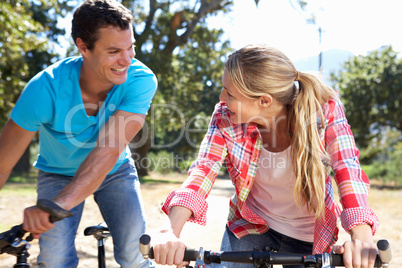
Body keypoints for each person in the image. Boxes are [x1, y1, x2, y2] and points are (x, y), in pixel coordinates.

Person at [151, 44, 379, 268]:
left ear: (264, 101)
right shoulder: (225, 116)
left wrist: (362, 237)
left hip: (309, 235)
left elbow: (347, 167)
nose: (221, 98)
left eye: (229, 93)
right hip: (251, 224)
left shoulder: (324, 109)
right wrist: (170, 230)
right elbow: (204, 168)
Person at [0, 0, 157, 267]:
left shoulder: (141, 80)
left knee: (136, 253)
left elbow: (108, 151)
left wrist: (55, 206)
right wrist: (57, 203)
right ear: (83, 47)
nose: (127, 59)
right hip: (57, 172)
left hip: (114, 170)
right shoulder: (43, 90)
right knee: (55, 259)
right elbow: (2, 163)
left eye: (130, 47)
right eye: (113, 51)